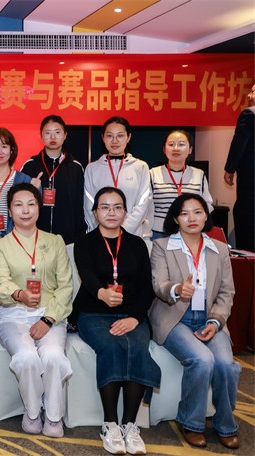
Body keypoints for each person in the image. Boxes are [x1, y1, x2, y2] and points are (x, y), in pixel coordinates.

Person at [72, 187, 161, 455]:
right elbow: (87, 276)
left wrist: (135, 317)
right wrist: (101, 292)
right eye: (105, 207)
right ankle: (110, 423)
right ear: (95, 212)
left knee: (137, 347)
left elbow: (146, 287)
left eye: (117, 207)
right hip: (93, 312)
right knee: (111, 345)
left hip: (132, 313)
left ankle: (129, 425)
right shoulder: (84, 242)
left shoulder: (137, 244)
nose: (111, 212)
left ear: (125, 212)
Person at [150, 194, 240, 449]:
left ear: (206, 216)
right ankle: (190, 423)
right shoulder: (162, 246)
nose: (192, 218)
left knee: (226, 364)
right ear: (175, 219)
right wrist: (178, 289)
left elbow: (226, 292)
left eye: (198, 212)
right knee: (202, 360)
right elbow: (158, 284)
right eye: (184, 213)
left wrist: (215, 322)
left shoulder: (219, 249)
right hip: (175, 317)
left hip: (209, 317)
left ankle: (225, 424)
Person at [0, 183, 73, 438]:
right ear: (10, 211)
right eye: (19, 205)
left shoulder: (55, 241)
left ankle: (54, 416)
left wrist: (47, 319)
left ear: (39, 207)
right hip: (13, 314)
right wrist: (19, 294)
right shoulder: (0, 245)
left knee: (53, 357)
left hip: (50, 314)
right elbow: (0, 284)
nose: (25, 210)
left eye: (31, 204)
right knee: (26, 357)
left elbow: (65, 286)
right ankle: (33, 411)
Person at [21, 115, 87, 245]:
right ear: (41, 136)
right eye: (48, 133)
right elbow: (18, 201)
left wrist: (79, 238)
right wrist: (31, 190)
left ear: (65, 135)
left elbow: (80, 206)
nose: (52, 137)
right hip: (34, 238)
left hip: (67, 239)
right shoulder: (30, 165)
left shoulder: (75, 167)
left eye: (57, 132)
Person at [84, 116, 152, 239]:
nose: (114, 141)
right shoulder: (92, 168)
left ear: (128, 137)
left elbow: (142, 204)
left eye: (120, 136)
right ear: (103, 138)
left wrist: (122, 231)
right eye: (110, 136)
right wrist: (104, 231)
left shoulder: (141, 167)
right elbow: (89, 206)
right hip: (100, 237)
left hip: (132, 236)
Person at [150, 130, 213, 239]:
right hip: (160, 232)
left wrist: (195, 220)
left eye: (181, 144)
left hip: (190, 232)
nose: (176, 148)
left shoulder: (199, 174)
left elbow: (207, 204)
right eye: (171, 144)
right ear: (164, 149)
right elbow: (147, 206)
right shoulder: (152, 173)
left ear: (190, 149)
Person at [223, 84, 255, 251]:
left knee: (246, 216)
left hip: (251, 182)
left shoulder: (249, 114)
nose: (249, 96)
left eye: (253, 91)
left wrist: (230, 168)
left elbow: (240, 143)